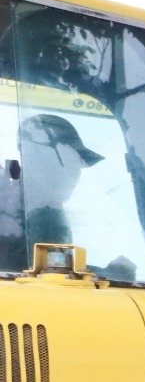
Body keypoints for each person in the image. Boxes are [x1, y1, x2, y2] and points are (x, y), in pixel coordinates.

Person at [1, 113, 103, 271]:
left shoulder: (23, 206)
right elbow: (52, 278)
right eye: (72, 160)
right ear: (40, 155)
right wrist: (116, 273)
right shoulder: (40, 215)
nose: (77, 172)